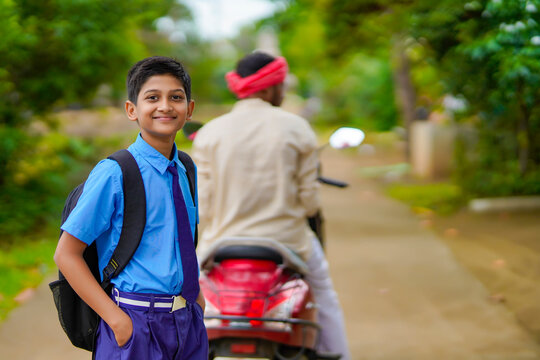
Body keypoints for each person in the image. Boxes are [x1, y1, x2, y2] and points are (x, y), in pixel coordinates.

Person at [192, 51, 351, 359]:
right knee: (325, 295)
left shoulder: (210, 132)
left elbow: (204, 208)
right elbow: (309, 203)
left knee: (183, 297)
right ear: (267, 88)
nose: (283, 91)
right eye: (281, 85)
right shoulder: (297, 128)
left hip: (220, 244)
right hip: (288, 242)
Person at [53, 56, 208, 359]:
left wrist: (198, 301)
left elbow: (182, 243)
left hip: (187, 321)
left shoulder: (186, 169)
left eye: (176, 97)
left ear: (189, 110)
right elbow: (66, 254)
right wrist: (116, 320)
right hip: (135, 324)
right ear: (132, 109)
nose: (165, 106)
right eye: (153, 97)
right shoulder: (115, 172)